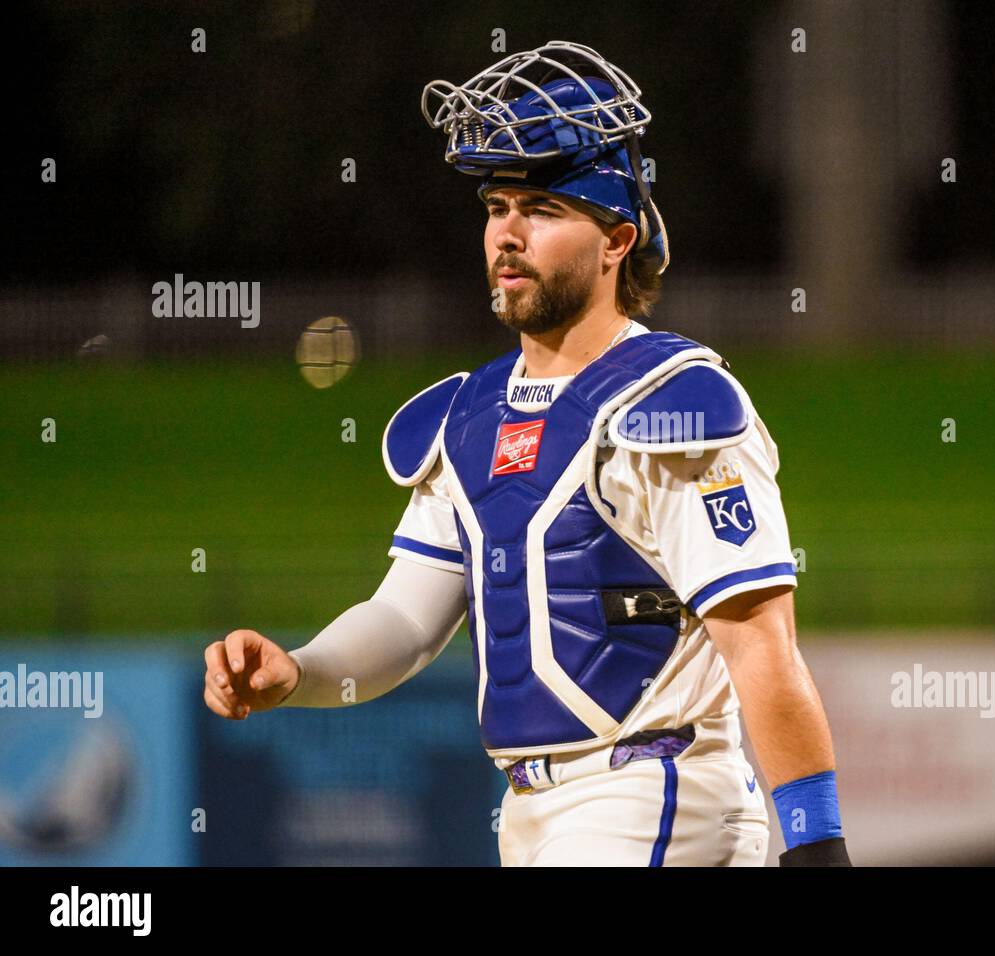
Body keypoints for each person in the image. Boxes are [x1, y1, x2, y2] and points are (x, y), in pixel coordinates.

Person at [202, 40, 849, 867]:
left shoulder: (671, 402)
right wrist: (297, 670)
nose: (507, 233)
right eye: (496, 206)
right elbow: (404, 620)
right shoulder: (469, 413)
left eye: (541, 208)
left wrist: (818, 845)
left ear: (617, 240)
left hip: (650, 790)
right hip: (534, 815)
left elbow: (760, 642)